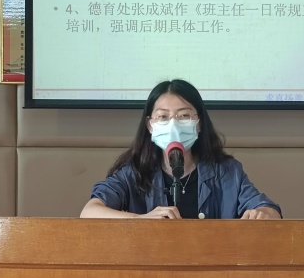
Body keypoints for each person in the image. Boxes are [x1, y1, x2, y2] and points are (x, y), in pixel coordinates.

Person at [80, 79, 282, 219]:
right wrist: (141, 219)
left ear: (199, 123)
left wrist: (263, 213)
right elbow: (89, 212)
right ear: (150, 125)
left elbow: (268, 210)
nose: (173, 125)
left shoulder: (227, 171)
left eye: (184, 116)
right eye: (163, 117)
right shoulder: (135, 172)